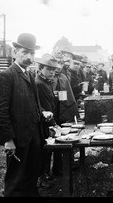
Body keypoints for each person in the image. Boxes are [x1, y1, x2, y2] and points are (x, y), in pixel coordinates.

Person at [0, 33, 53, 197]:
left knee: (32, 177)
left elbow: (34, 104)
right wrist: (8, 139)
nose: (29, 56)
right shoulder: (6, 76)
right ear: (14, 52)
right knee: (15, 182)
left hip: (34, 138)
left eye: (32, 53)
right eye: (24, 52)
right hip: (18, 139)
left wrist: (42, 113)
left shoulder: (29, 76)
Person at [34, 53, 62, 187]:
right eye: (49, 69)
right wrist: (53, 124)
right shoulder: (39, 84)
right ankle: (42, 177)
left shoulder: (46, 82)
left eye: (54, 70)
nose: (52, 72)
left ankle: (46, 173)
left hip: (48, 121)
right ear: (40, 68)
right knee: (44, 150)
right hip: (43, 122)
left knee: (48, 150)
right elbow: (45, 107)